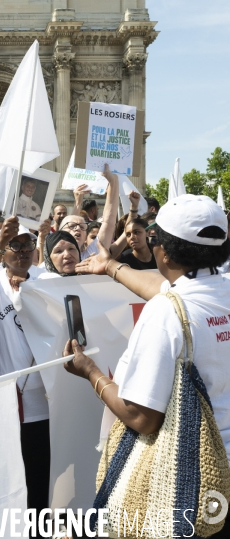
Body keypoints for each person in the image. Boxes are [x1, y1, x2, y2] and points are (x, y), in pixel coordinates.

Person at [67, 194, 230, 536]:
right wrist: (111, 266)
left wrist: (91, 373)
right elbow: (167, 287)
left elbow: (142, 417)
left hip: (191, 483)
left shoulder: (166, 313)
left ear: (164, 252)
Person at [0, 214, 49, 510]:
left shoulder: (48, 281)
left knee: (39, 480)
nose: (22, 250)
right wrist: (0, 243)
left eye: (28, 243)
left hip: (42, 403)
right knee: (6, 485)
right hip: (3, 403)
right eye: (14, 244)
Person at [59, 164, 119, 260]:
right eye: (72, 226)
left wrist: (113, 182)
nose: (78, 228)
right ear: (60, 232)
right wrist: (78, 203)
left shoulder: (91, 255)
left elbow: (108, 223)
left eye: (82, 227)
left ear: (85, 238)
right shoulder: (49, 258)